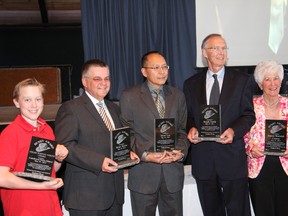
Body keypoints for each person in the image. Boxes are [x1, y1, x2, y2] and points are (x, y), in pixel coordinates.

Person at [54, 59, 139, 216]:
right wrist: (99, 161)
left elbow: (117, 140)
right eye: (97, 79)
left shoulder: (114, 108)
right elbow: (66, 146)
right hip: (86, 197)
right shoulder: (70, 109)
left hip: (114, 196)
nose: (104, 83)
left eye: (107, 78)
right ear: (84, 81)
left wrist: (128, 152)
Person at [183, 33, 256, 216]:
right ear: (204, 52)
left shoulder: (242, 80)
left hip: (232, 158)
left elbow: (248, 115)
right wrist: (191, 127)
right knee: (211, 211)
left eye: (224, 48)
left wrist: (233, 131)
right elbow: (189, 116)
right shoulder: (191, 84)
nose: (221, 52)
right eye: (216, 48)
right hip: (204, 160)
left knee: (238, 211)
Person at [120, 51, 189, 216]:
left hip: (172, 173)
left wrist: (179, 153)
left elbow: (181, 130)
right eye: (156, 67)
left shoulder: (177, 95)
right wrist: (145, 155)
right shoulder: (129, 96)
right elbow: (126, 133)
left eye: (165, 67)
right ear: (144, 71)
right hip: (144, 173)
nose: (162, 71)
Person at [0, 78, 68, 216]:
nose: (34, 105)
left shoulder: (47, 129)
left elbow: (49, 169)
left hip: (50, 205)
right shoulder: (10, 133)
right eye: (27, 100)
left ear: (43, 101)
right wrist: (40, 186)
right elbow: (2, 177)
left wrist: (58, 159)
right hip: (24, 209)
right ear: (16, 102)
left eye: (38, 99)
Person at [244, 60, 288, 216]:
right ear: (260, 84)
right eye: (267, 79)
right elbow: (242, 135)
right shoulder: (250, 106)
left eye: (276, 78)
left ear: (281, 82)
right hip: (259, 167)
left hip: (285, 167)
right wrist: (250, 148)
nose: (272, 83)